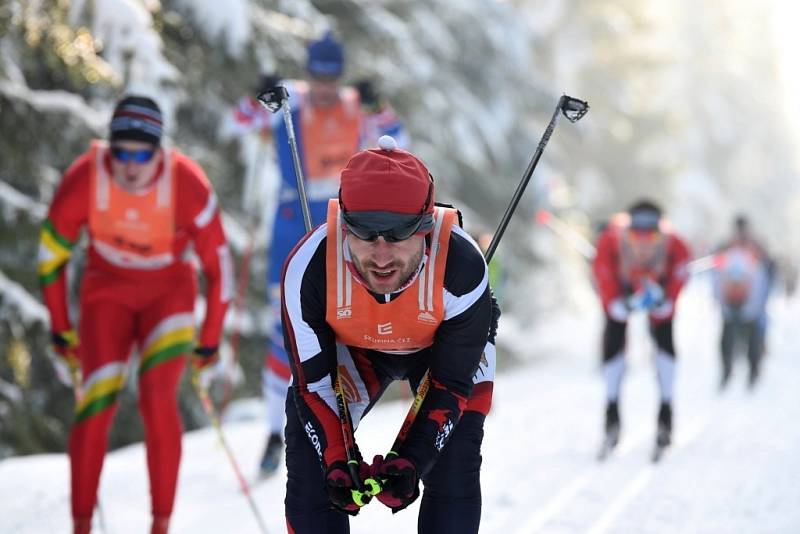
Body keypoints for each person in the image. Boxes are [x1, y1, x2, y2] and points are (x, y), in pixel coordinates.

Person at [280, 136, 497, 533]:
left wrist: (413, 459)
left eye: (399, 233)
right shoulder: (308, 270)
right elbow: (315, 387)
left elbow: (451, 383)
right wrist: (337, 460)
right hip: (356, 349)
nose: (381, 254)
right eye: (364, 233)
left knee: (453, 459)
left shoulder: (462, 267)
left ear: (426, 228)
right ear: (343, 224)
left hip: (437, 353)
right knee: (311, 458)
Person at [38, 95, 232, 534]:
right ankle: (82, 524)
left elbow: (220, 268)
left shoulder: (186, 183)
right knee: (96, 401)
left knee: (156, 396)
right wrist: (60, 329)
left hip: (169, 294)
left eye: (141, 153)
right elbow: (49, 258)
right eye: (120, 152)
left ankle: (160, 524)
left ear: (158, 151)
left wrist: (210, 339)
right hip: (106, 293)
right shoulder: (85, 178)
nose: (129, 164)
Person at [256, 32, 408, 477]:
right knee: (280, 326)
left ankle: (332, 428)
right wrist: (257, 94)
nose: (324, 86)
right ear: (308, 72)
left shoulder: (353, 105)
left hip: (341, 223)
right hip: (289, 221)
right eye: (317, 75)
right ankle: (272, 432)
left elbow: (398, 139)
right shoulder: (290, 100)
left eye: (332, 77)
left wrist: (379, 107)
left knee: (339, 323)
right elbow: (238, 121)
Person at [591, 200, 690, 454]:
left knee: (665, 344)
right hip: (624, 290)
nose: (644, 241)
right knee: (614, 342)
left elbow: (681, 270)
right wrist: (613, 302)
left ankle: (665, 413)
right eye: (637, 233)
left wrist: (669, 300)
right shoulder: (611, 239)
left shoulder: (674, 243)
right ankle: (611, 414)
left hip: (658, 292)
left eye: (652, 233)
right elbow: (601, 270)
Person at [712, 214, 771, 388]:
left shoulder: (756, 249)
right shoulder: (726, 248)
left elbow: (762, 278)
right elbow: (717, 276)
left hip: (751, 303)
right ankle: (726, 372)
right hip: (730, 301)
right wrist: (720, 301)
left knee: (753, 341)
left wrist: (757, 304)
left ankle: (753, 373)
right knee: (726, 341)